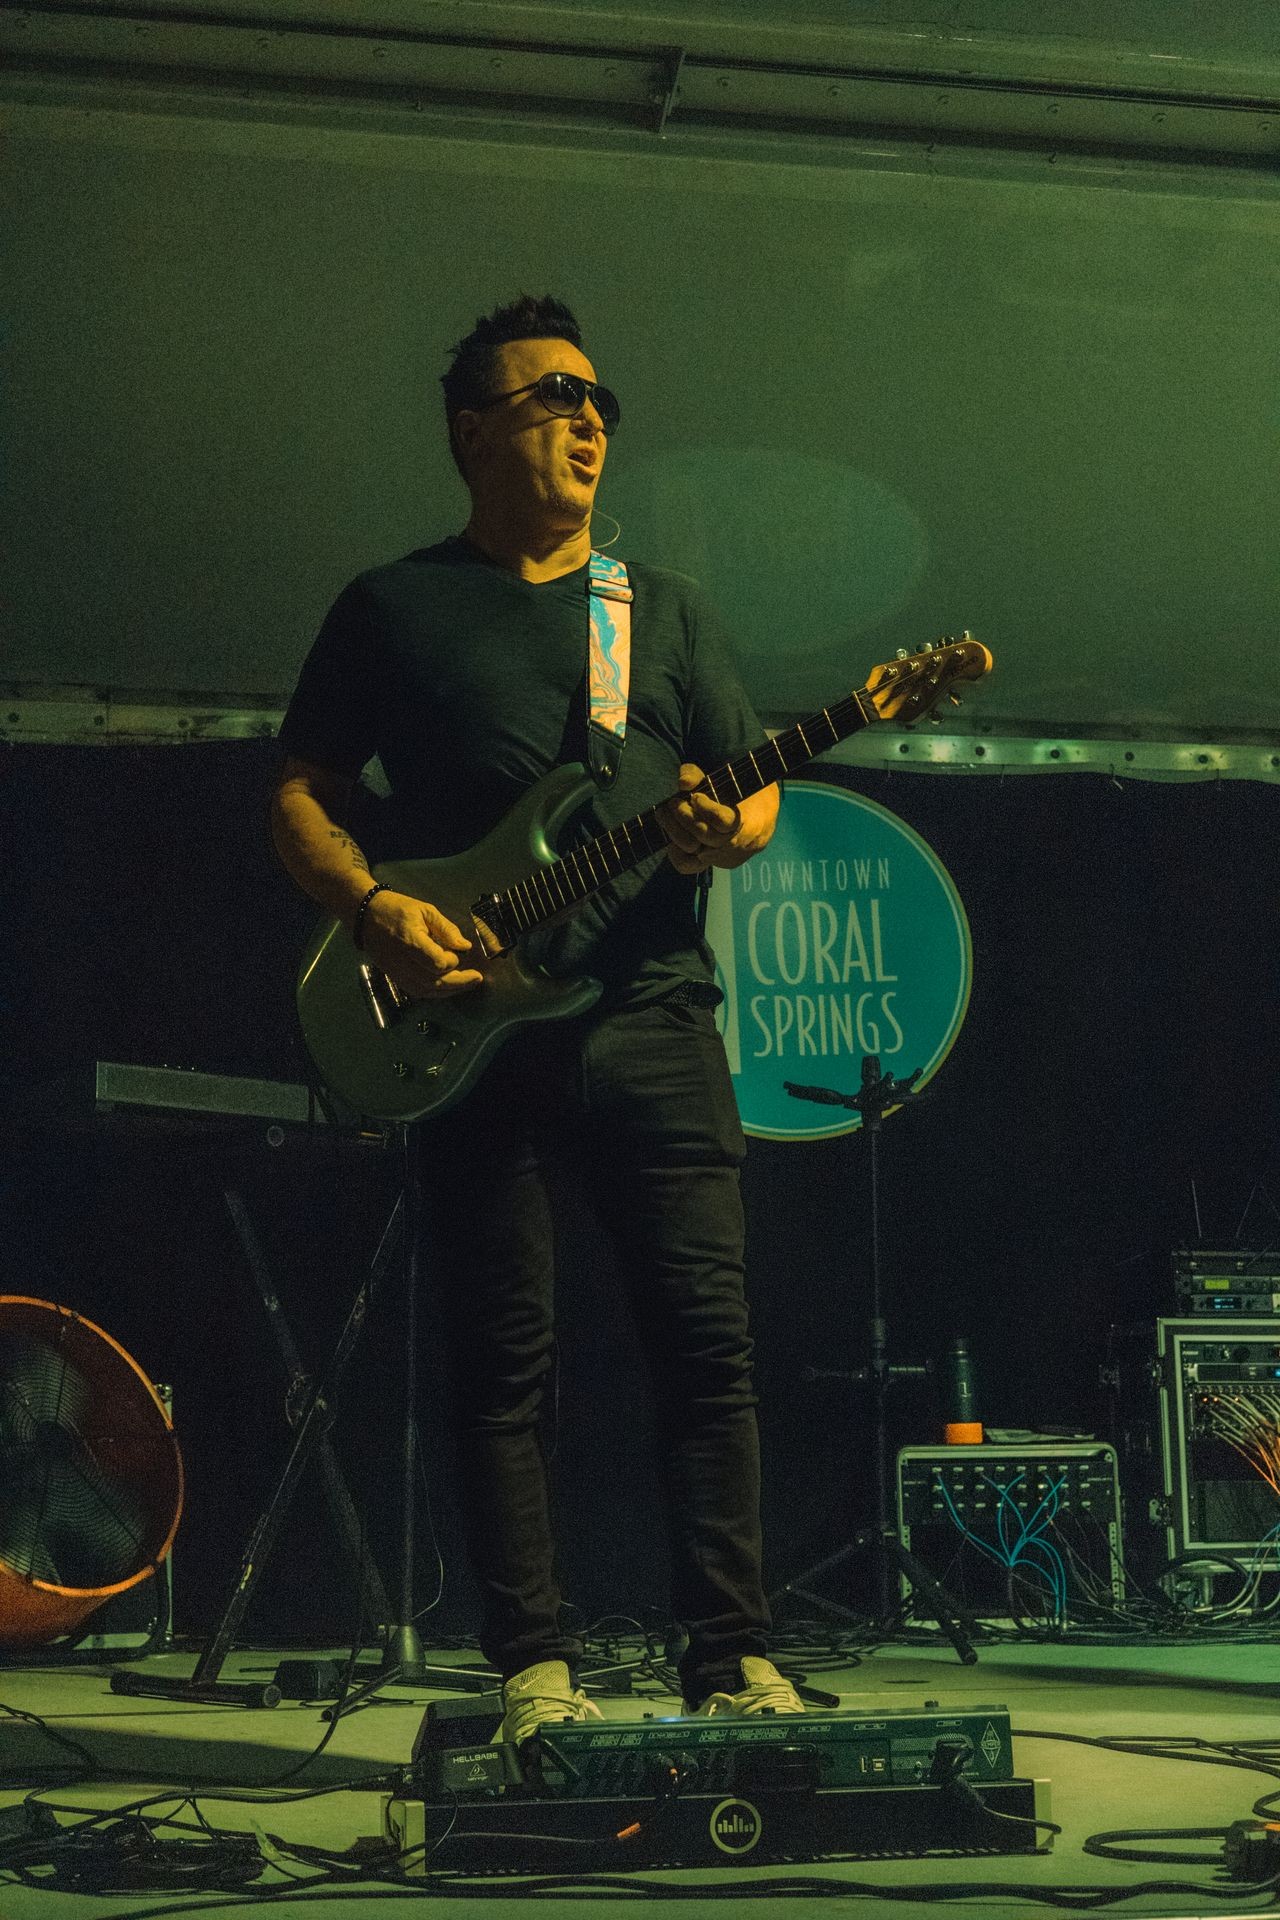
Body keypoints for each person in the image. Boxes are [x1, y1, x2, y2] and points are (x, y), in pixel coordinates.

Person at [270, 293, 801, 1744]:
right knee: (503, 1359)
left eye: (600, 400)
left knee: (708, 1347)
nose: (588, 415)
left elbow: (747, 783)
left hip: (651, 1013)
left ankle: (734, 1659)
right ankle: (534, 1671)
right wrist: (380, 911)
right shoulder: (392, 604)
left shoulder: (664, 613)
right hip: (473, 1030)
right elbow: (301, 793)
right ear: (470, 430)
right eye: (553, 392)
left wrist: (724, 834)